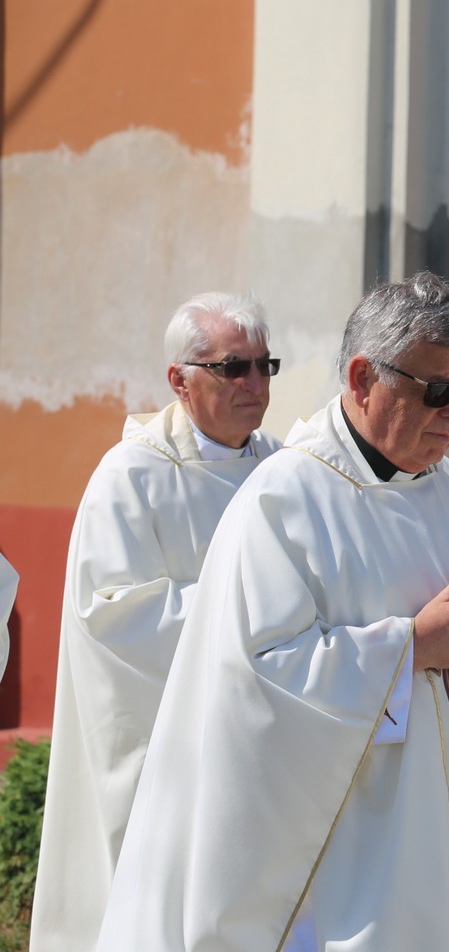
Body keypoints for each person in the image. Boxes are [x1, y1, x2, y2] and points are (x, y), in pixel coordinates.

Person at [95, 271, 449, 951]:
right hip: (355, 869)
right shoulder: (283, 503)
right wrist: (411, 646)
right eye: (436, 390)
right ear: (361, 378)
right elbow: (257, 683)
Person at [32, 292, 284, 951]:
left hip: (263, 750)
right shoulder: (130, 477)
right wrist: (254, 609)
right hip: (165, 755)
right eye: (235, 368)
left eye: (266, 365)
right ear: (179, 379)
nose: (255, 384)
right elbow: (115, 618)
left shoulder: (284, 473)